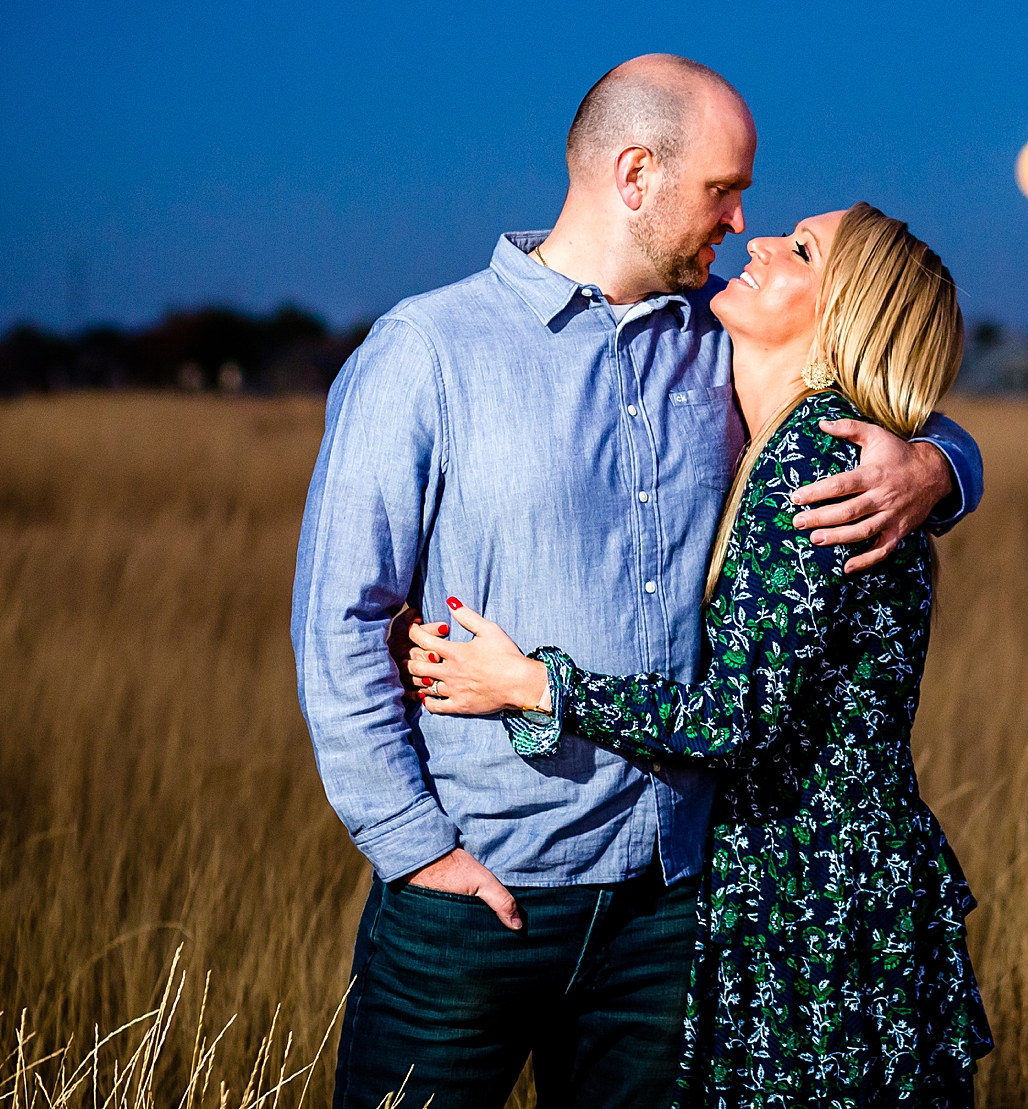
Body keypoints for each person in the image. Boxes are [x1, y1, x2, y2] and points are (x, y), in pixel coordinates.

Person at [291, 57, 985, 1109]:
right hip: (478, 893)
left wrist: (937, 465)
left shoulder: (719, 336)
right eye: (722, 190)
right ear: (634, 174)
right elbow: (340, 618)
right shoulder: (427, 350)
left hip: (671, 907)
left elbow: (875, 372)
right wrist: (414, 850)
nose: (742, 220)